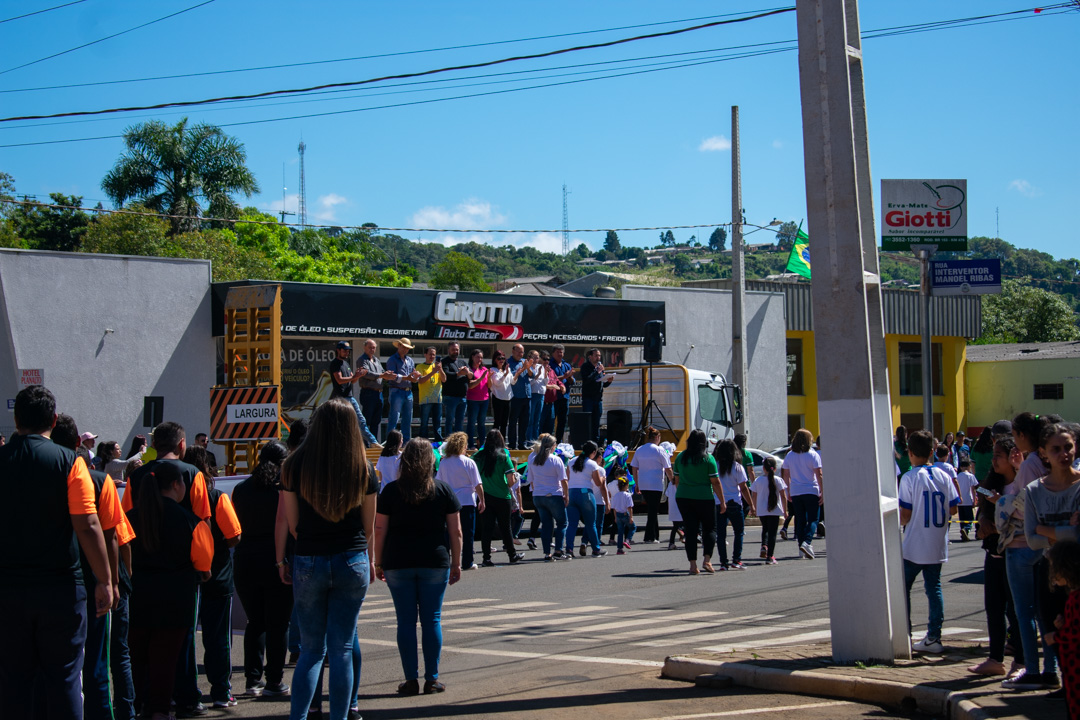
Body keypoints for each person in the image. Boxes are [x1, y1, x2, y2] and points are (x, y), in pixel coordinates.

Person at [1, 387, 115, 720]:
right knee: (64, 678)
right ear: (53, 419)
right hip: (61, 591)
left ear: (16, 418)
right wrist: (105, 580)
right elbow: (87, 524)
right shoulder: (70, 463)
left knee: (13, 682)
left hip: (7, 591)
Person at [281, 397, 378, 720]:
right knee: (342, 650)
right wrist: (371, 560)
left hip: (309, 558)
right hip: (351, 558)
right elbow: (368, 527)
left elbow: (293, 526)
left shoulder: (293, 465)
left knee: (310, 651)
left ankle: (299, 716)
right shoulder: (363, 468)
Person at [121, 422, 211, 718]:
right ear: (182, 445)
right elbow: (203, 521)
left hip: (139, 587)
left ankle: (139, 702)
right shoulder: (192, 475)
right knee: (176, 650)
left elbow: (122, 529)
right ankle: (184, 698)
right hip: (179, 586)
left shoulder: (136, 476)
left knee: (138, 652)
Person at [52, 415, 133, 720]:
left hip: (54, 583)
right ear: (78, 444)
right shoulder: (100, 481)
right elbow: (113, 536)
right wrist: (111, 581)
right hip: (93, 583)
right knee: (98, 666)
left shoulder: (42, 475)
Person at [372, 438, 463, 696]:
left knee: (405, 621)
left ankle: (410, 679)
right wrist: (457, 562)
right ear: (431, 461)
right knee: (432, 619)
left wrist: (378, 562)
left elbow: (379, 530)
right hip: (434, 561)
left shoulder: (390, 491)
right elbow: (456, 532)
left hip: (397, 562)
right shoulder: (442, 490)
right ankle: (432, 679)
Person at [1001, 411, 1059, 690]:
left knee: (1024, 612)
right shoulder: (1045, 462)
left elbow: (1022, 505)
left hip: (1022, 544)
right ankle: (1050, 668)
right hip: (1046, 546)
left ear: (1022, 435)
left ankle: (1032, 669)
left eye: (1014, 435)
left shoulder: (1030, 465)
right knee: (1044, 612)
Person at [1021, 422, 1080, 690]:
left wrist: (1047, 529)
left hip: (1078, 576)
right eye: (1055, 449)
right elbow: (1032, 539)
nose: (1063, 453)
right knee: (1053, 634)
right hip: (1051, 573)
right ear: (1043, 453)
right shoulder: (1034, 490)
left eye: (1068, 447)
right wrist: (1066, 529)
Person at [232, 442, 294, 698]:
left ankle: (252, 679)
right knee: (278, 623)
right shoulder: (283, 489)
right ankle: (274, 680)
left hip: (245, 558)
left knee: (255, 622)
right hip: (276, 558)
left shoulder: (241, 489)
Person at [184, 446, 243, 709]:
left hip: (184, 577)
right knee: (218, 638)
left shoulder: (177, 498)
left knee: (184, 637)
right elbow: (234, 537)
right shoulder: (218, 497)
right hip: (217, 575)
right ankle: (221, 692)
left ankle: (185, 692)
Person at [899, 429, 960, 654]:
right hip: (936, 541)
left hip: (915, 543)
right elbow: (953, 507)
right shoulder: (944, 475)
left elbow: (905, 514)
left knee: (903, 586)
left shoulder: (909, 477)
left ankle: (904, 631)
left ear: (910, 453)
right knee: (934, 588)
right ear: (932, 451)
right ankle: (934, 636)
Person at [968, 435, 1022, 677]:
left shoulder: (1022, 484)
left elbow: (1023, 513)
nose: (994, 460)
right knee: (994, 608)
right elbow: (980, 507)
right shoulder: (990, 484)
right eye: (994, 455)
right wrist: (983, 521)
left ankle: (1021, 661)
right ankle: (994, 659)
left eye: (999, 455)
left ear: (1013, 457)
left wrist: (1000, 502)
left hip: (1017, 556)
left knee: (1017, 610)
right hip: (994, 554)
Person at [674, 430, 723, 575]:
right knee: (709, 529)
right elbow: (715, 482)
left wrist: (682, 492)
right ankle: (707, 560)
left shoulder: (681, 457)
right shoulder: (708, 459)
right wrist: (722, 501)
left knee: (690, 530)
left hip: (684, 497)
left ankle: (692, 565)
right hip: (704, 497)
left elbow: (677, 480)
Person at [472, 430, 523, 567]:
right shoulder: (503, 456)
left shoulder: (477, 456)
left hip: (484, 495)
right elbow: (511, 480)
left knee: (486, 528)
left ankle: (486, 558)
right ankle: (512, 555)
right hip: (502, 496)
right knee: (505, 527)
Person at [436, 432, 486, 571]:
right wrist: (482, 499)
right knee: (468, 533)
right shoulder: (468, 462)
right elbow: (477, 484)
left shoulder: (444, 462)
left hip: (449, 501)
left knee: (448, 532)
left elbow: (439, 482)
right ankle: (467, 562)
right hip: (467, 500)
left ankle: (445, 560)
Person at [1046, 540, 1080, 719]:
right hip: (1071, 669)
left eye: (1054, 568)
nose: (1052, 574)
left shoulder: (1076, 598)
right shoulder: (1072, 596)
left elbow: (1076, 633)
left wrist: (1057, 636)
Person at [328, 340, 382, 448]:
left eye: (348, 351)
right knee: (340, 423)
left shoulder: (346, 363)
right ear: (338, 350)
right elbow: (339, 380)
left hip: (349, 397)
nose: (347, 353)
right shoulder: (335, 363)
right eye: (344, 351)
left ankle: (372, 442)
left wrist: (358, 375)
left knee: (361, 420)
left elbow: (352, 381)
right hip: (340, 398)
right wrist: (354, 376)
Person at [782, 429, 824, 560]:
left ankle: (801, 549)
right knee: (813, 519)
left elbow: (786, 474)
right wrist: (823, 491)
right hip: (811, 490)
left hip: (795, 491)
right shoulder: (813, 455)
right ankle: (807, 542)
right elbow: (819, 474)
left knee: (800, 520)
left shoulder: (790, 455)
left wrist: (787, 491)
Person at [713, 439, 753, 570]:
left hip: (719, 502)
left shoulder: (716, 466)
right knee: (739, 532)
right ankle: (737, 560)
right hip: (735, 503)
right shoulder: (737, 467)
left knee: (721, 534)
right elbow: (743, 487)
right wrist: (751, 504)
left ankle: (723, 562)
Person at [529, 434, 570, 562]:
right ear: (552, 446)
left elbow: (531, 481)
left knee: (546, 524)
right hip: (553, 494)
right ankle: (558, 550)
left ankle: (547, 553)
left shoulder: (534, 459)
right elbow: (563, 480)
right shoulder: (555, 459)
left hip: (538, 495)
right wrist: (566, 495)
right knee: (562, 523)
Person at [565, 441, 609, 558]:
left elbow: (567, 478)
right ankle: (596, 549)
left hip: (572, 492)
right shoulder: (592, 464)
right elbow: (598, 483)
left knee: (572, 524)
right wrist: (602, 476)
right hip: (585, 493)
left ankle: (569, 549)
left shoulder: (571, 461)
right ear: (594, 452)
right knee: (591, 524)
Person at [631, 426, 672, 544]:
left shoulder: (640, 449)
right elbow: (668, 468)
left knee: (652, 508)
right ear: (657, 437)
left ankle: (655, 534)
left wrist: (636, 482)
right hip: (656, 483)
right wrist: (672, 480)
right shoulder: (660, 450)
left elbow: (634, 467)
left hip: (643, 483)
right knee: (653, 510)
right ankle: (649, 536)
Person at [752, 457, 787, 565]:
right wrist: (785, 511)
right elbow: (783, 496)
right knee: (772, 533)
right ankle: (770, 556)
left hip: (762, 510)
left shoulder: (758, 480)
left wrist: (754, 508)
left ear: (763, 468)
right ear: (775, 469)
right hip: (775, 510)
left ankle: (764, 545)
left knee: (765, 529)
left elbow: (754, 495)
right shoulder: (778, 480)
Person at [386, 337, 421, 442]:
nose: (406, 350)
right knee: (394, 418)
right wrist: (409, 378)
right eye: (404, 347)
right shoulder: (392, 359)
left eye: (407, 348)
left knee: (407, 419)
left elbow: (413, 378)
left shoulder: (410, 360)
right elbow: (391, 376)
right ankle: (391, 443)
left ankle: (406, 443)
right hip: (396, 390)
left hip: (408, 391)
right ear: (399, 346)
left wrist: (416, 377)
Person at [356, 339, 391, 440]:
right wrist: (382, 375)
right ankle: (366, 444)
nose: (372, 349)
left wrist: (389, 375)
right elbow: (366, 374)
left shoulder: (376, 360)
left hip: (378, 394)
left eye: (374, 347)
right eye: (370, 347)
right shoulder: (362, 359)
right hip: (368, 392)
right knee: (367, 420)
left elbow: (383, 373)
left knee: (376, 421)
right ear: (364, 347)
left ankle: (373, 443)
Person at [579, 348, 614, 443]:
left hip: (598, 399)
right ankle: (587, 441)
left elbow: (602, 383)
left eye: (599, 355)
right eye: (596, 355)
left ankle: (596, 442)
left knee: (596, 422)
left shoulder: (600, 367)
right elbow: (587, 380)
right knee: (588, 421)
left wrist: (608, 381)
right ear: (590, 357)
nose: (598, 357)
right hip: (588, 399)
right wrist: (597, 372)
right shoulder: (585, 367)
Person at [415, 346, 446, 442]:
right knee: (424, 423)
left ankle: (438, 441)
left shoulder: (437, 367)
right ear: (425, 355)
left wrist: (440, 369)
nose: (432, 356)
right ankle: (423, 442)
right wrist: (433, 372)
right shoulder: (420, 366)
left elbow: (444, 379)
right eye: (430, 354)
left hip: (437, 399)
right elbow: (420, 381)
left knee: (437, 422)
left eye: (434, 354)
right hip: (426, 399)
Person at [505, 344, 533, 450]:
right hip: (515, 396)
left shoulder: (525, 361)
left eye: (522, 352)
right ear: (513, 351)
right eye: (518, 351)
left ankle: (522, 443)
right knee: (513, 422)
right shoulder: (508, 362)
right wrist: (520, 370)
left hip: (527, 395)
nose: (520, 354)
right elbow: (510, 377)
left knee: (525, 421)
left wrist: (527, 368)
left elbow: (532, 375)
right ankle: (512, 444)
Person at [440, 342, 469, 439]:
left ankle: (458, 444)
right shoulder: (445, 362)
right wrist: (459, 373)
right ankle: (448, 443)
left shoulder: (463, 362)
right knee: (449, 421)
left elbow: (471, 375)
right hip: (450, 397)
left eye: (457, 349)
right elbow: (446, 375)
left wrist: (467, 372)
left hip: (462, 398)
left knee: (460, 422)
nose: (455, 351)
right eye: (453, 349)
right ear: (448, 350)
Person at [547, 344, 575, 443]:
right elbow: (550, 379)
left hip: (565, 397)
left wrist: (569, 377)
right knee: (551, 421)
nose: (560, 354)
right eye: (558, 352)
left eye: (562, 352)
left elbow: (572, 382)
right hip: (553, 397)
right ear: (553, 353)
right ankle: (549, 442)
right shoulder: (549, 365)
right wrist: (563, 377)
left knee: (562, 422)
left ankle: (558, 442)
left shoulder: (566, 365)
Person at [465, 349, 490, 450]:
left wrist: (490, 378)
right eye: (477, 357)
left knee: (482, 423)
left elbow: (489, 385)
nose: (479, 359)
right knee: (471, 423)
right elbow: (470, 385)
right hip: (473, 400)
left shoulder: (484, 369)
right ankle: (470, 444)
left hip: (484, 399)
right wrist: (480, 378)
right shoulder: (469, 369)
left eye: (481, 357)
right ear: (472, 357)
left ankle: (482, 445)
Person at [489, 350, 513, 441]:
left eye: (503, 358)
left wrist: (518, 373)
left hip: (508, 398)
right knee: (497, 422)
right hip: (498, 398)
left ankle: (502, 443)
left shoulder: (507, 369)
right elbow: (498, 383)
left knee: (504, 423)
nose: (501, 360)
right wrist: (505, 374)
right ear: (495, 360)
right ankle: (493, 442)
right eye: (499, 358)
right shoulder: (493, 370)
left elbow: (513, 382)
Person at [526, 350, 548, 445]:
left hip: (541, 395)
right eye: (534, 357)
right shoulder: (528, 367)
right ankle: (529, 440)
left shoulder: (541, 367)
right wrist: (537, 375)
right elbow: (529, 383)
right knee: (530, 419)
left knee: (537, 420)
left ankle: (536, 441)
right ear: (529, 357)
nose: (536, 359)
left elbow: (545, 382)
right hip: (532, 395)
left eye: (537, 357)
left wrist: (546, 373)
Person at [955, 459, 979, 541]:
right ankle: (966, 529)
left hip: (960, 501)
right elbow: (973, 488)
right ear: (969, 467)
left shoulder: (957, 476)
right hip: (968, 500)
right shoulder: (970, 476)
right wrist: (975, 499)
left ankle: (963, 532)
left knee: (962, 519)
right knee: (970, 519)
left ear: (961, 467)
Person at [610, 477, 636, 554]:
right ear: (627, 485)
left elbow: (614, 508)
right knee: (633, 527)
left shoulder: (615, 496)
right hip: (625, 514)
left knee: (620, 532)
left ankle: (619, 549)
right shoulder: (628, 495)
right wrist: (631, 516)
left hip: (618, 515)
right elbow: (630, 507)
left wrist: (615, 517)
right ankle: (627, 540)